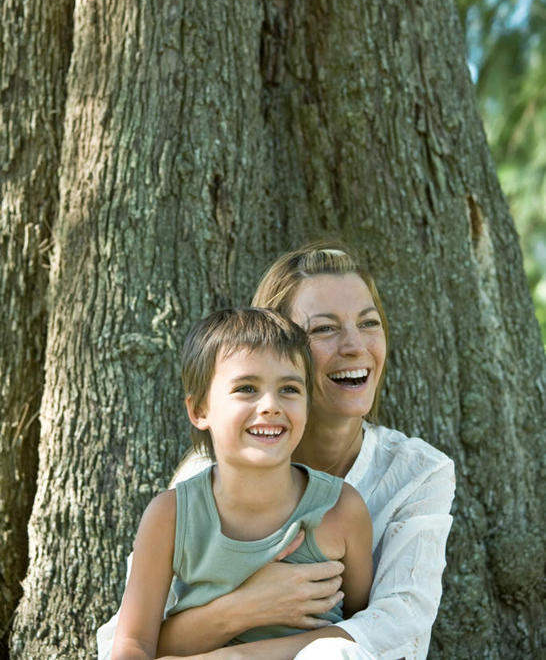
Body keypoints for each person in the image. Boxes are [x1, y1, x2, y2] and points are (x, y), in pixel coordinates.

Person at [99, 240, 455, 660]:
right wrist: (243, 608)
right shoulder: (202, 482)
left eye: (369, 323)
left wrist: (236, 657)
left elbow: (395, 630)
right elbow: (122, 640)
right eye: (323, 328)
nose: (355, 345)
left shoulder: (412, 474)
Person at [110, 307, 373, 660]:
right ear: (199, 410)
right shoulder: (170, 517)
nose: (270, 406)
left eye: (289, 389)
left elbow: (368, 633)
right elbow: (133, 646)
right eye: (247, 388)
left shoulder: (340, 511)